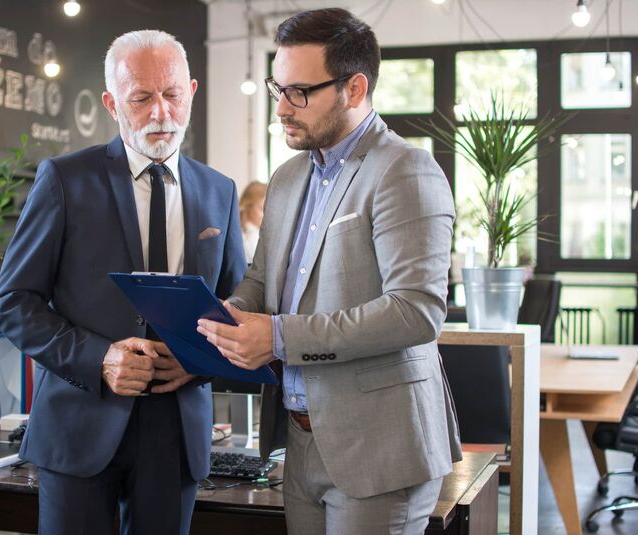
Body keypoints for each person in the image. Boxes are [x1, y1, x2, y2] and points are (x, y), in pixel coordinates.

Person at [197, 8, 462, 535]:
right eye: (278, 89)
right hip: (299, 438)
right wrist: (237, 312)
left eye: (300, 92)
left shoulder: (404, 169)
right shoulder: (290, 176)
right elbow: (261, 277)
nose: (281, 108)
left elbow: (416, 312)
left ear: (354, 88)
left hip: (379, 447)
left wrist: (275, 336)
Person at [0, 30, 246, 535]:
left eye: (172, 95)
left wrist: (197, 360)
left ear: (191, 91)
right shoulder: (64, 179)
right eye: (141, 98)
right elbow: (13, 302)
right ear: (111, 102)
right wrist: (99, 358)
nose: (160, 113)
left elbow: (238, 304)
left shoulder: (220, 190)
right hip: (80, 420)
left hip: (177, 432)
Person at [239, 180, 267, 263]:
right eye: (261, 208)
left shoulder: (258, 233)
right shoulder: (247, 237)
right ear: (248, 205)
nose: (264, 214)